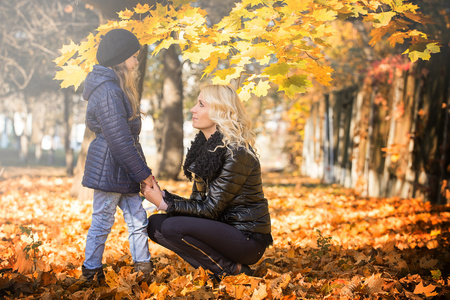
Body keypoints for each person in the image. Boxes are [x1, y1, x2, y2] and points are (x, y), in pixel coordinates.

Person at [142, 84, 272, 280]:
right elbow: (198, 205)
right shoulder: (207, 150)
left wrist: (163, 203)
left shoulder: (236, 152)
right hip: (222, 229)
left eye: (201, 104)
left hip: (246, 238)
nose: (193, 109)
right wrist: (163, 197)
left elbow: (210, 209)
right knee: (155, 225)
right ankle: (222, 267)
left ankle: (230, 269)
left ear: (220, 111)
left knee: (171, 227)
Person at [81, 28, 153, 282]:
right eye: (133, 57)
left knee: (137, 218)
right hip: (110, 165)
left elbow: (125, 140)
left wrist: (140, 171)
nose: (136, 62)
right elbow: (120, 140)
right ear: (121, 59)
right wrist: (144, 174)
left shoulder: (114, 88)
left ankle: (143, 267)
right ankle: (91, 271)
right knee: (102, 220)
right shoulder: (108, 91)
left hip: (124, 165)